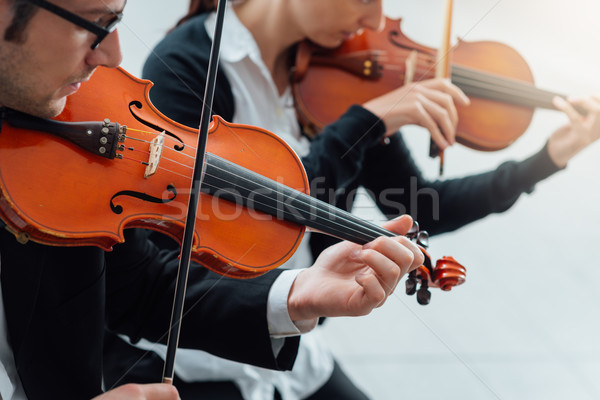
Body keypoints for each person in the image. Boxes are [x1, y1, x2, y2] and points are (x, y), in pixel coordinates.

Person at [101, 0, 600, 399]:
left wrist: (548, 158)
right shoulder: (187, 68)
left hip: (295, 356)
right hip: (198, 356)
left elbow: (422, 205)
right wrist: (365, 123)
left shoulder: (342, 70)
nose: (377, 19)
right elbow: (248, 218)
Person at [0, 0, 427, 399]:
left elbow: (135, 285)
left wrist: (295, 293)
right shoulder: (191, 63)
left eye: (117, 20)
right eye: (94, 23)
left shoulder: (59, 120)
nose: (113, 55)